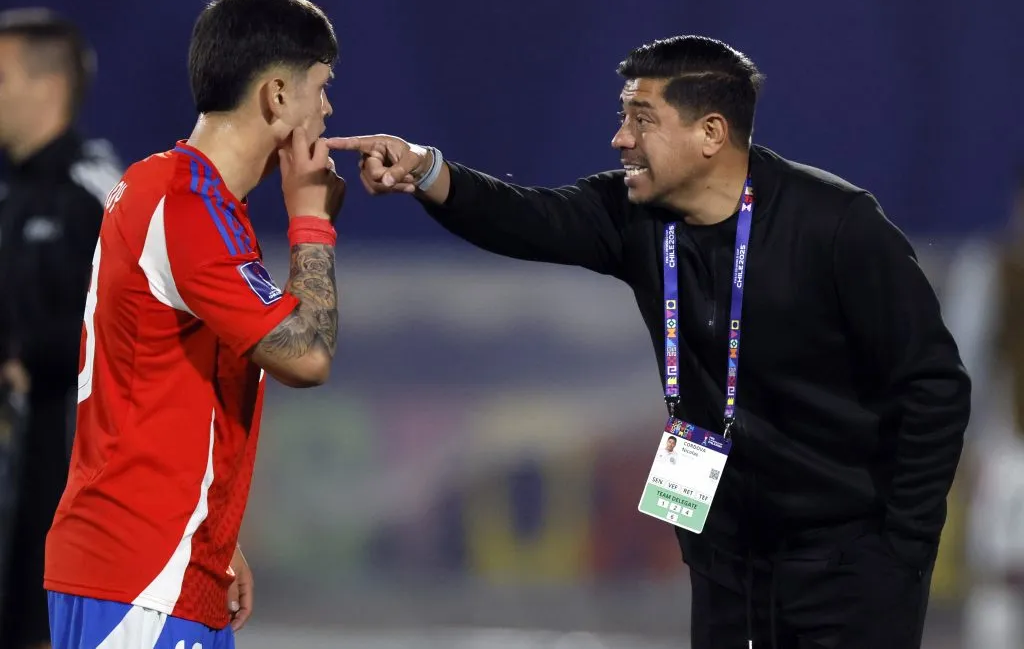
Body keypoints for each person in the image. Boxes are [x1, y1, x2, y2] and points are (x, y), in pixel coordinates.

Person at [332, 35, 972, 649]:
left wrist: (903, 549)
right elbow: (524, 216)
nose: (621, 138)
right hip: (726, 560)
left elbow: (934, 385)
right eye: (623, 117)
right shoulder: (631, 215)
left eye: (642, 119)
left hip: (846, 564)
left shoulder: (837, 225)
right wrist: (426, 169)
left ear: (711, 133)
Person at [43, 0, 344, 649]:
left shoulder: (184, 194)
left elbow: (164, 375)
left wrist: (213, 535)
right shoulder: (188, 207)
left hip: (161, 564)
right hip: (141, 577)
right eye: (321, 88)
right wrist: (312, 222)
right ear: (276, 95)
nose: (326, 110)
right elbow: (307, 356)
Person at [0, 8, 122, 649]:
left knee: (46, 628)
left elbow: (131, 323)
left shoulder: (99, 193)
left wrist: (30, 358)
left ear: (49, 85)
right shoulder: (9, 194)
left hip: (66, 461)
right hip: (12, 462)